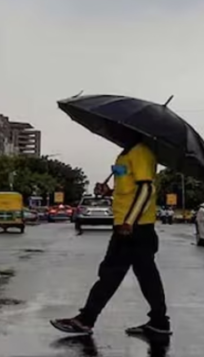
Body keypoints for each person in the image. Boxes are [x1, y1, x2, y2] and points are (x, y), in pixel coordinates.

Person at [50, 137, 170, 337]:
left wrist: (129, 221)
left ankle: (86, 319)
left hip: (134, 228)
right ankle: (159, 322)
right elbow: (129, 189)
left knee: (111, 273)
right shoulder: (126, 153)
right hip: (131, 227)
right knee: (146, 276)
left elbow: (146, 188)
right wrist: (109, 192)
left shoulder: (140, 151)